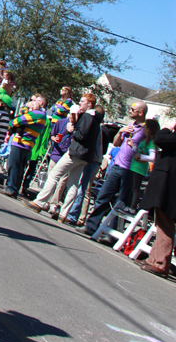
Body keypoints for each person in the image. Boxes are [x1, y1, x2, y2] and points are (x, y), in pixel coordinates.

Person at [26, 93, 102, 220]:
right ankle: (64, 213)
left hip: (76, 152)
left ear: (90, 104)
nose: (80, 103)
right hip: (85, 157)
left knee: (55, 174)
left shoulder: (88, 116)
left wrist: (72, 130)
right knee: (73, 183)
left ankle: (40, 201)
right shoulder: (96, 119)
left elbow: (81, 135)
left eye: (83, 101)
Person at [77, 101, 147, 237]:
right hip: (116, 166)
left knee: (121, 202)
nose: (130, 111)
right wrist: (121, 132)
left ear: (141, 112)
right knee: (102, 197)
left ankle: (112, 234)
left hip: (130, 170)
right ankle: (91, 227)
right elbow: (116, 144)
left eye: (133, 109)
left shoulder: (146, 130)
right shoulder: (130, 126)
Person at [139, 125, 176, 278]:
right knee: (160, 221)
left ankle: (160, 263)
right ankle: (153, 259)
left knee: (165, 222)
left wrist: (167, 129)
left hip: (169, 184)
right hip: (165, 182)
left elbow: (160, 139)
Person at [0, 95, 48, 198]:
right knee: (18, 166)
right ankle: (14, 188)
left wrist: (26, 106)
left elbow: (16, 121)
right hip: (24, 143)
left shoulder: (38, 114)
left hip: (22, 142)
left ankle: (11, 188)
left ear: (41, 104)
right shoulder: (38, 114)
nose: (33, 102)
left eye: (36, 100)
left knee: (13, 165)